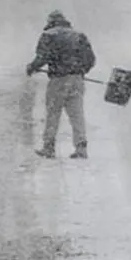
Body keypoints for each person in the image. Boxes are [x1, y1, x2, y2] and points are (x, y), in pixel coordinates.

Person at [26, 11, 96, 159]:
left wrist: (32, 67)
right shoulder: (79, 36)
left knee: (53, 113)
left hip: (58, 79)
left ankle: (49, 147)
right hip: (77, 79)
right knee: (77, 114)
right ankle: (81, 147)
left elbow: (43, 56)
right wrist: (81, 71)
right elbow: (90, 59)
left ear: (51, 21)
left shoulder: (49, 35)